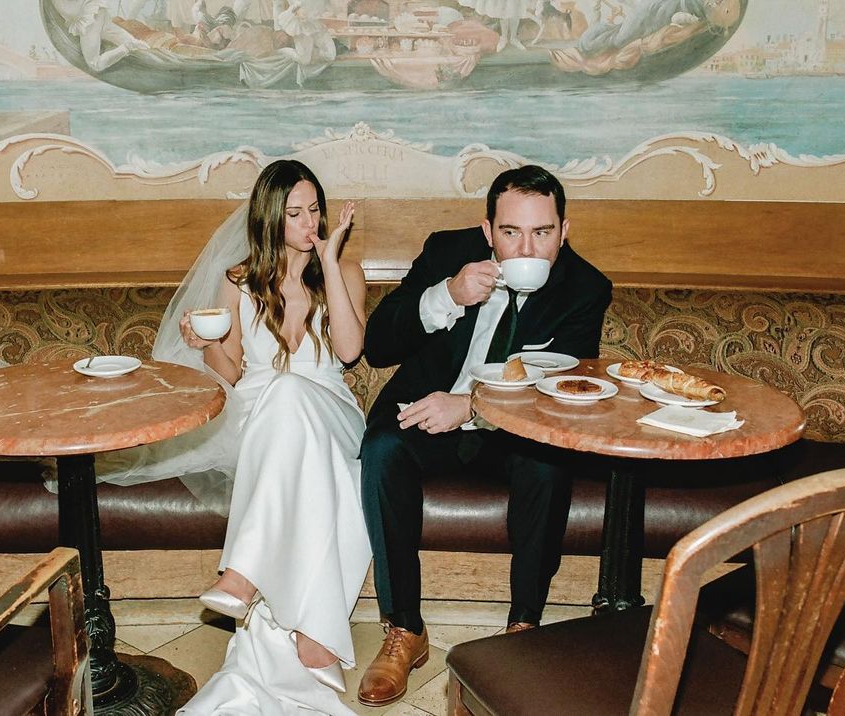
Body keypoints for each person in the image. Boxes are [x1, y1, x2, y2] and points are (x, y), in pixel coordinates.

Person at [356, 165, 611, 707]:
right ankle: (404, 628)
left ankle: (523, 628)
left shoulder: (585, 288)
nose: (527, 249)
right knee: (381, 449)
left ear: (564, 231)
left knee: (547, 462)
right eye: (511, 232)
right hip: (429, 412)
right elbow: (376, 347)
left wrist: (470, 407)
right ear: (487, 230)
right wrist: (447, 294)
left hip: (514, 430)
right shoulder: (447, 253)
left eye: (542, 233)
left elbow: (564, 390)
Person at [166, 159, 372, 715]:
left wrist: (329, 261)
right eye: (294, 213)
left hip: (331, 412)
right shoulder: (238, 281)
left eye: (315, 210)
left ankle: (243, 574)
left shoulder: (346, 272)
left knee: (292, 390)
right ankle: (315, 631)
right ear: (270, 219)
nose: (309, 222)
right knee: (280, 395)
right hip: (260, 417)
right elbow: (230, 372)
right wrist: (205, 342)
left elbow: (349, 350)